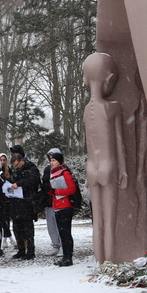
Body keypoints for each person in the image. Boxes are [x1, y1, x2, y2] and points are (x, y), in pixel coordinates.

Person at [83, 53, 128, 263]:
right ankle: (109, 265)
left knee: (97, 223)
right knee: (109, 223)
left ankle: (100, 263)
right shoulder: (112, 108)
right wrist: (124, 170)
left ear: (86, 80)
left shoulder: (86, 111)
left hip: (91, 168)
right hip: (109, 167)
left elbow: (89, 144)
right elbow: (119, 144)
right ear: (109, 79)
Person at [7, 152, 40, 260]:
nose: (16, 167)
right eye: (14, 166)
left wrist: (20, 183)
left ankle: (30, 250)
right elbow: (12, 181)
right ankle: (21, 249)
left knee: (28, 228)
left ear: (21, 160)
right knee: (17, 228)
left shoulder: (31, 168)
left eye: (17, 165)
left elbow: (34, 181)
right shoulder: (16, 170)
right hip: (16, 202)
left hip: (27, 202)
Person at [48, 152, 78, 267]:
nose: (52, 163)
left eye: (54, 160)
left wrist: (57, 192)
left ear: (60, 161)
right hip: (57, 206)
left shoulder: (65, 172)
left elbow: (72, 189)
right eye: (51, 161)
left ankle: (68, 257)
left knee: (66, 233)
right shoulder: (53, 173)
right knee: (62, 233)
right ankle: (65, 257)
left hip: (65, 206)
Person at [39, 148, 62, 256]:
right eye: (50, 157)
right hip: (49, 200)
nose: (51, 160)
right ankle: (55, 244)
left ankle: (62, 244)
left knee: (60, 224)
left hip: (59, 200)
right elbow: (44, 183)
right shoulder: (47, 169)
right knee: (51, 224)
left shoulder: (63, 169)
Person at [0, 152, 15, 249]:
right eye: (1, 160)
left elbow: (11, 181)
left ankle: (6, 237)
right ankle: (8, 237)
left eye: (4, 160)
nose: (2, 162)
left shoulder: (9, 170)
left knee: (7, 219)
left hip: (8, 197)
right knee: (2, 220)